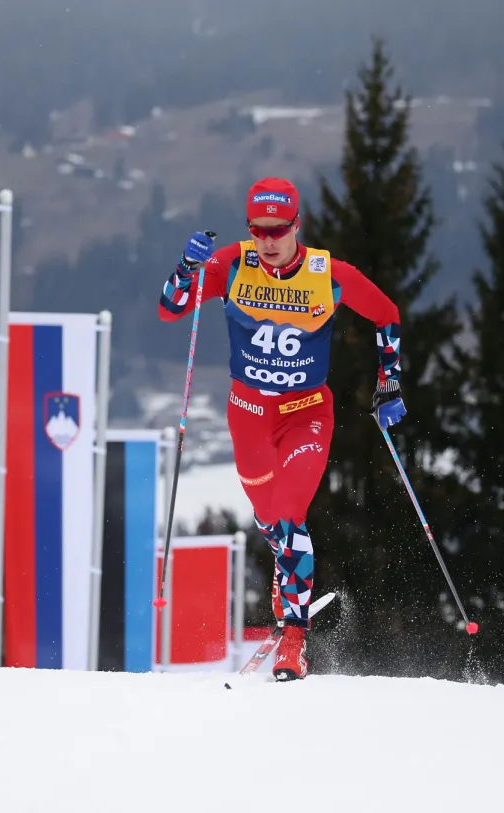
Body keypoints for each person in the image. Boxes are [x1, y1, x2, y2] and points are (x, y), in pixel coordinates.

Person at [157, 177, 406, 681]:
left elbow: (387, 315)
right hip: (246, 415)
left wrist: (390, 382)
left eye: (278, 229)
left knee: (292, 519)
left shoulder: (327, 274)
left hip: (306, 413)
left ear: (298, 225)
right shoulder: (232, 263)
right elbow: (171, 308)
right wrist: (186, 267)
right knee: (269, 519)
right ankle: (281, 558)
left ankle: (294, 641)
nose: (268, 240)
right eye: (258, 229)